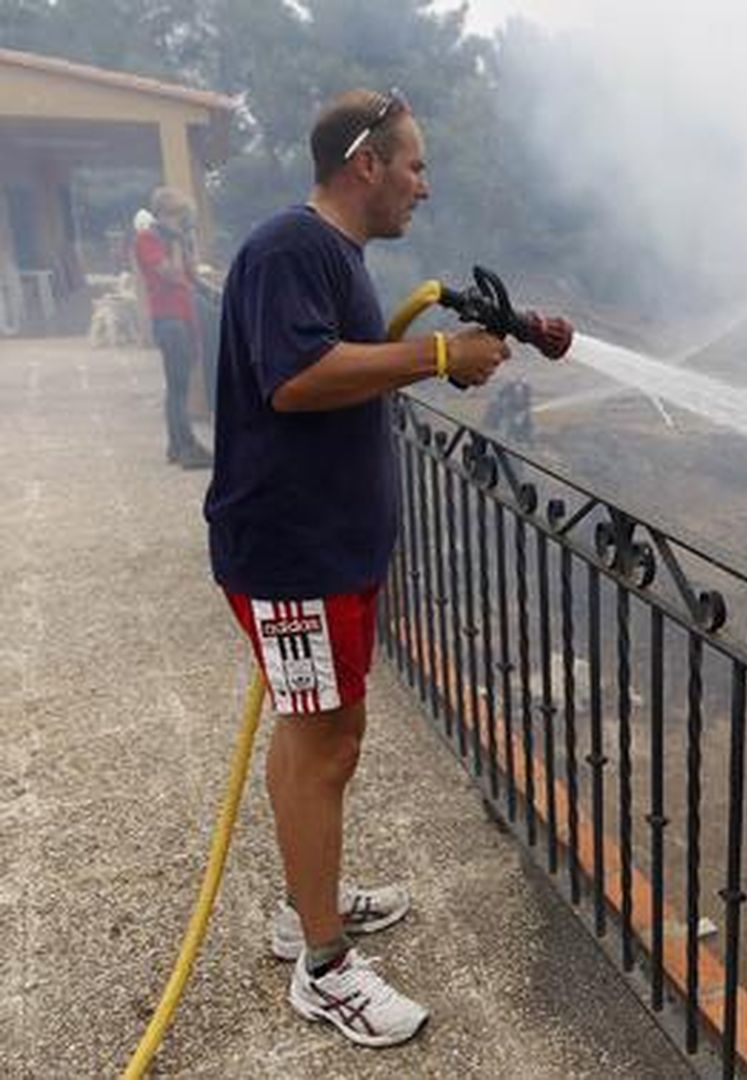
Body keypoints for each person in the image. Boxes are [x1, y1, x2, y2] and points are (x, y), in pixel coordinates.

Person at [203, 87, 571, 1048]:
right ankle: (323, 969)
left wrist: (437, 353)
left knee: (328, 732)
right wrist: (436, 351)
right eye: (414, 166)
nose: (424, 185)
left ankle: (305, 904)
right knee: (322, 742)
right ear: (365, 164)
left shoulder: (335, 258)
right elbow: (295, 379)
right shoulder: (292, 248)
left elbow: (347, 364)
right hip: (294, 554)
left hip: (325, 549)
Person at [134, 188, 210, 468]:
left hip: (185, 319)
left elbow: (193, 273)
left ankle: (176, 445)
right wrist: (176, 245)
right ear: (165, 215)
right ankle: (186, 446)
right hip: (169, 320)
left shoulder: (173, 239)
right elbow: (172, 274)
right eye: (179, 217)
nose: (182, 222)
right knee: (178, 387)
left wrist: (188, 244)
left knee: (179, 386)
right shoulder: (147, 240)